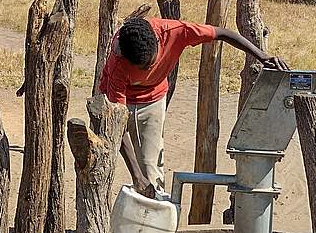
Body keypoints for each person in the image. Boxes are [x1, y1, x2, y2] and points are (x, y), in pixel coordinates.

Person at [99, 15, 288, 196]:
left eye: (149, 64)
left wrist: (262, 57)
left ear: (158, 43)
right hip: (119, 103)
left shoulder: (175, 31)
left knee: (152, 170)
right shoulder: (119, 62)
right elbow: (117, 122)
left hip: (153, 100)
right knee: (103, 164)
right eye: (139, 68)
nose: (146, 70)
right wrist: (136, 176)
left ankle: (153, 222)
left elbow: (222, 33)